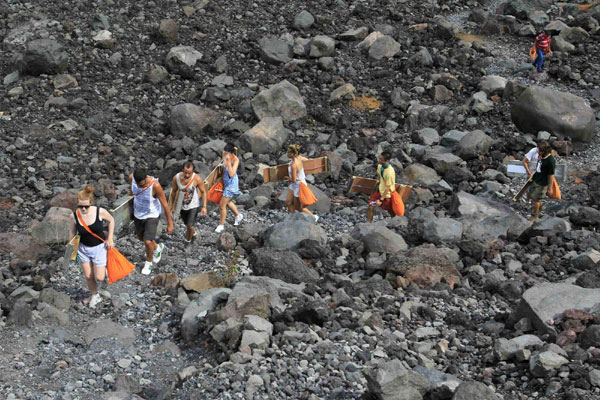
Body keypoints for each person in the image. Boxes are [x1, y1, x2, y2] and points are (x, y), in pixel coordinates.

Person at [68, 185, 115, 308]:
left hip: (99, 248)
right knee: (88, 276)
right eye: (80, 206)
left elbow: (111, 220)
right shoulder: (74, 216)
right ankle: (95, 295)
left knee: (99, 277)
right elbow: (72, 233)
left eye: (86, 206)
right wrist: (72, 249)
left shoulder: (100, 212)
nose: (83, 209)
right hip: (83, 248)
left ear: (91, 203)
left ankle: (103, 271)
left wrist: (110, 238)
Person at [129, 168, 174, 275]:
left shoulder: (155, 186)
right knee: (141, 238)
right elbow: (131, 193)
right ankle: (158, 248)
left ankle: (148, 263)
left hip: (152, 215)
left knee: (147, 241)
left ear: (146, 178)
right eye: (138, 185)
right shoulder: (132, 178)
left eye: (142, 185)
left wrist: (170, 223)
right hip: (138, 214)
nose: (140, 187)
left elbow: (165, 205)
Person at [170, 161, 207, 243]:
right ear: (182, 170)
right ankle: (193, 233)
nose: (187, 175)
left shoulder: (197, 179)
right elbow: (173, 192)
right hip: (182, 205)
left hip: (193, 205)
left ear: (193, 171)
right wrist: (172, 206)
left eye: (189, 173)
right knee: (187, 225)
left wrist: (204, 206)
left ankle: (188, 241)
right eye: (185, 172)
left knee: (189, 225)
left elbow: (203, 192)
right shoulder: (176, 178)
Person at [284, 144, 318, 222]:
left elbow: (293, 180)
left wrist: (287, 178)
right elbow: (308, 161)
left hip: (298, 186)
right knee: (288, 202)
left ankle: (314, 217)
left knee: (299, 207)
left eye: (289, 153)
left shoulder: (293, 165)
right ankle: (292, 218)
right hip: (295, 185)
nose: (287, 154)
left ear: (293, 154)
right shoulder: (300, 158)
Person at [215, 143, 243, 233]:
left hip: (232, 184)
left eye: (227, 153)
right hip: (226, 182)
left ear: (231, 153)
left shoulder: (235, 160)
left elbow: (231, 174)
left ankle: (221, 225)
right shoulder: (224, 154)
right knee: (228, 202)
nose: (225, 154)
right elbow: (222, 167)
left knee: (222, 205)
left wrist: (229, 162)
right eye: (225, 152)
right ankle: (238, 215)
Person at [526, 141, 556, 221]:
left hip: (542, 183)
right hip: (536, 179)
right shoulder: (542, 157)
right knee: (532, 196)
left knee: (536, 199)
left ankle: (535, 216)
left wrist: (550, 188)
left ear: (544, 151)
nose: (538, 152)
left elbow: (551, 175)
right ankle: (541, 207)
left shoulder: (550, 161)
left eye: (540, 150)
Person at [368, 151, 396, 223]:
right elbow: (378, 179)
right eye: (379, 158)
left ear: (386, 160)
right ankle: (369, 223)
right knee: (371, 205)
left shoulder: (389, 172)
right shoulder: (380, 166)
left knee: (390, 210)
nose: (379, 161)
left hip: (386, 195)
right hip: (379, 191)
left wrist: (381, 200)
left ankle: (395, 222)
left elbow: (388, 187)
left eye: (381, 159)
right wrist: (373, 191)